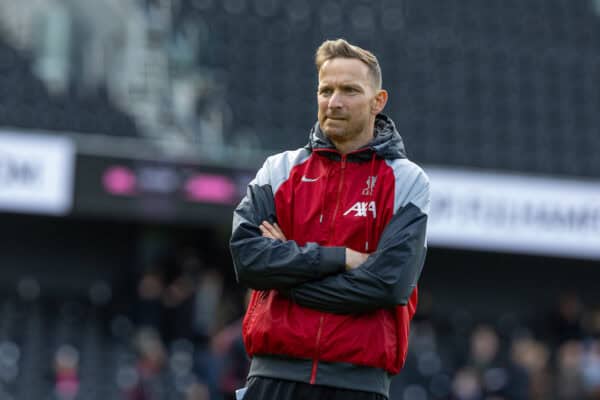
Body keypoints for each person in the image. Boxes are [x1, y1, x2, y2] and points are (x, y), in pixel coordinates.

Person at [229, 38, 430, 400]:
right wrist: (341, 259)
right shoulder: (278, 170)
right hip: (272, 377)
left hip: (357, 385)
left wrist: (286, 278)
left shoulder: (407, 181)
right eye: (326, 90)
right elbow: (248, 261)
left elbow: (388, 285)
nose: (334, 102)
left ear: (378, 101)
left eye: (350, 90)